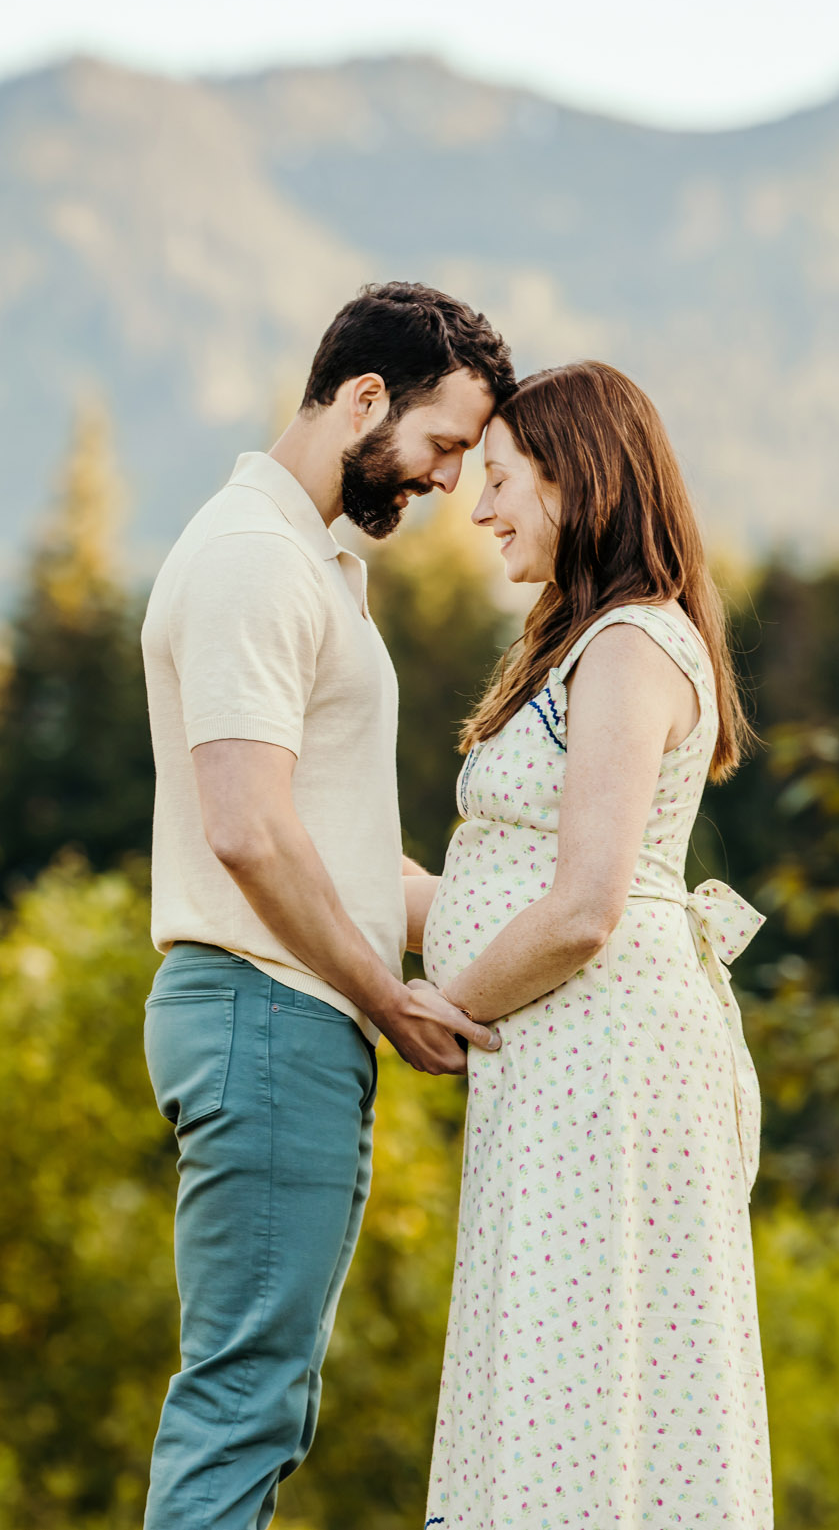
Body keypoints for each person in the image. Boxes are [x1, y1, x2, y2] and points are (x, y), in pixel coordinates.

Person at [139, 282, 515, 1530]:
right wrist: (385, 996)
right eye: (442, 445)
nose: (449, 483)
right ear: (365, 399)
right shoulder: (256, 558)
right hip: (268, 1009)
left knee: (269, 1395)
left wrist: (551, 914)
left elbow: (346, 860)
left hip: (286, 1011)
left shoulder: (309, 561)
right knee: (245, 1398)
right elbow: (248, 827)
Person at [415, 360, 774, 1527]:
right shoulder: (585, 643)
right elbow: (503, 881)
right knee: (556, 1367)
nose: (479, 509)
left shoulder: (629, 644)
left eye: (503, 477)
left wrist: (443, 1003)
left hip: (605, 1065)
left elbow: (582, 906)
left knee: (589, 1372)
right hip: (565, 1063)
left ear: (581, 478)